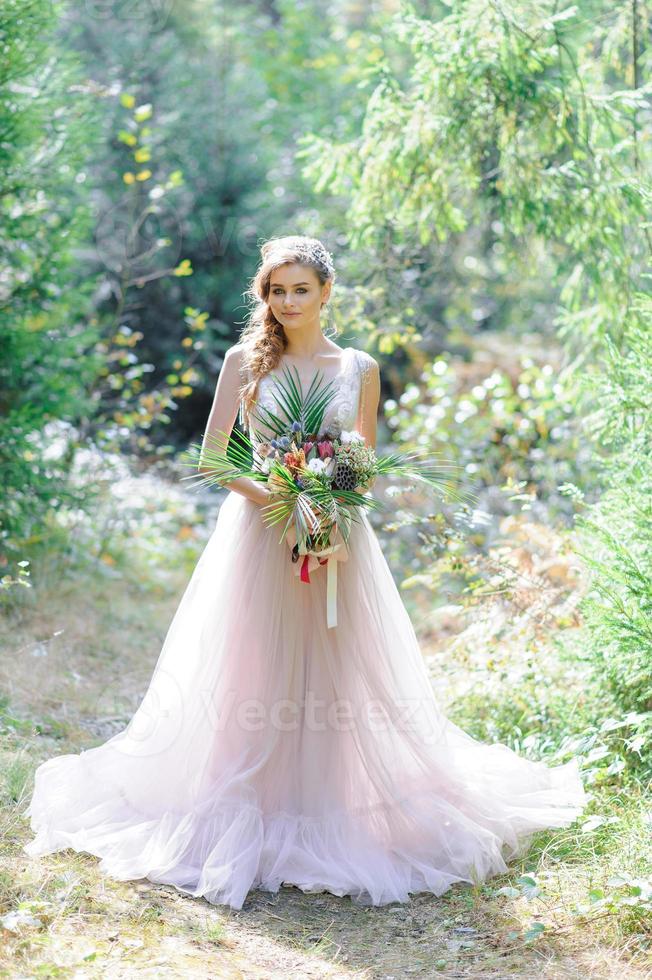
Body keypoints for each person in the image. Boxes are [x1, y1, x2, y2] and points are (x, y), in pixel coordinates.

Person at [23, 235, 587, 910]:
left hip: (336, 540)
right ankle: (248, 798)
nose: (287, 302)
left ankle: (332, 801)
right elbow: (215, 459)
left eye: (299, 289)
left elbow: (361, 457)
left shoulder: (361, 368)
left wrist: (329, 511)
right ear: (265, 296)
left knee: (337, 665)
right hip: (259, 536)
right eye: (275, 290)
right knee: (251, 664)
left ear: (326, 293)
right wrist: (288, 503)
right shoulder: (244, 361)